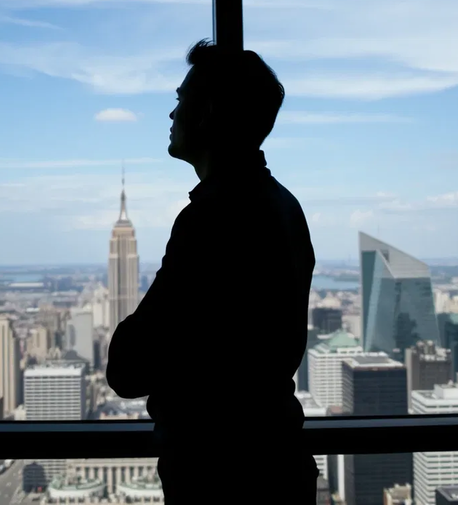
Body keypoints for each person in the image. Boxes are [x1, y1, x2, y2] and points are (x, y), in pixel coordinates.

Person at [106, 39, 318, 504]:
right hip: (278, 459)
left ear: (207, 113)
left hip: (217, 473)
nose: (171, 114)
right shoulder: (285, 206)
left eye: (180, 100)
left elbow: (129, 367)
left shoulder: (212, 218)